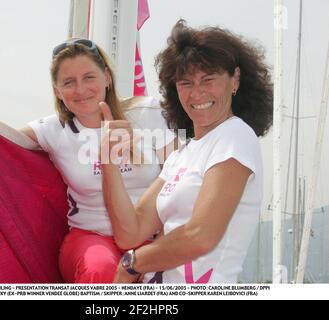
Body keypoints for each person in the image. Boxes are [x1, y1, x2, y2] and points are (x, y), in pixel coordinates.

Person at [0, 38, 176, 283]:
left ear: (107, 78)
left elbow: (182, 175)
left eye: (89, 77)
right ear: (57, 91)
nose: (80, 90)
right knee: (100, 271)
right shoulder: (52, 129)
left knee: (168, 276)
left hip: (151, 235)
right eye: (69, 82)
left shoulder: (147, 112)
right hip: (91, 239)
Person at [100, 19, 273, 283]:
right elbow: (130, 232)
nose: (197, 93)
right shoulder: (182, 154)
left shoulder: (234, 135)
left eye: (208, 79)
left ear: (235, 79)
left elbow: (200, 235)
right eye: (186, 83)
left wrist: (132, 263)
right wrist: (108, 161)